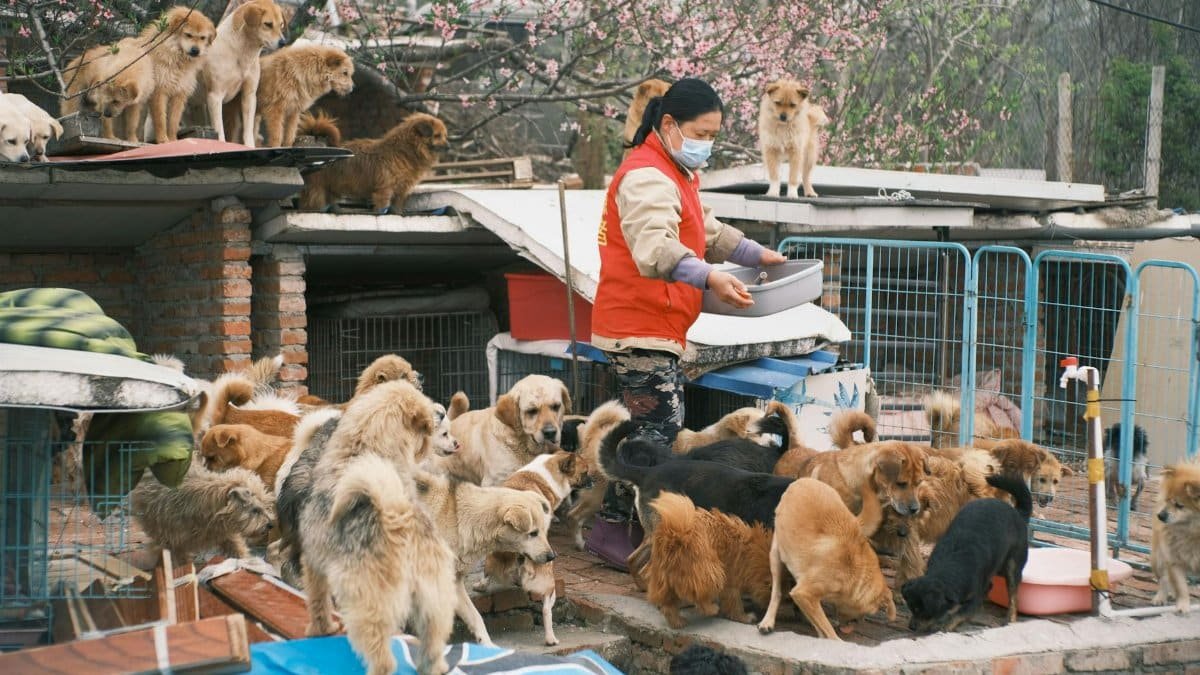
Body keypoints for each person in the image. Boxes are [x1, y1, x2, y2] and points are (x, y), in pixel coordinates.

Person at [591, 78, 786, 519]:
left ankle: (616, 524)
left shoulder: (677, 173)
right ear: (669, 125)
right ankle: (623, 528)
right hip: (638, 327)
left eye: (713, 137)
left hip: (655, 326)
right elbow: (655, 247)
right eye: (701, 135)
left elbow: (708, 231)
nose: (707, 145)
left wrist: (757, 254)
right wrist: (711, 277)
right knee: (654, 441)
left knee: (648, 437)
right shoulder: (645, 174)